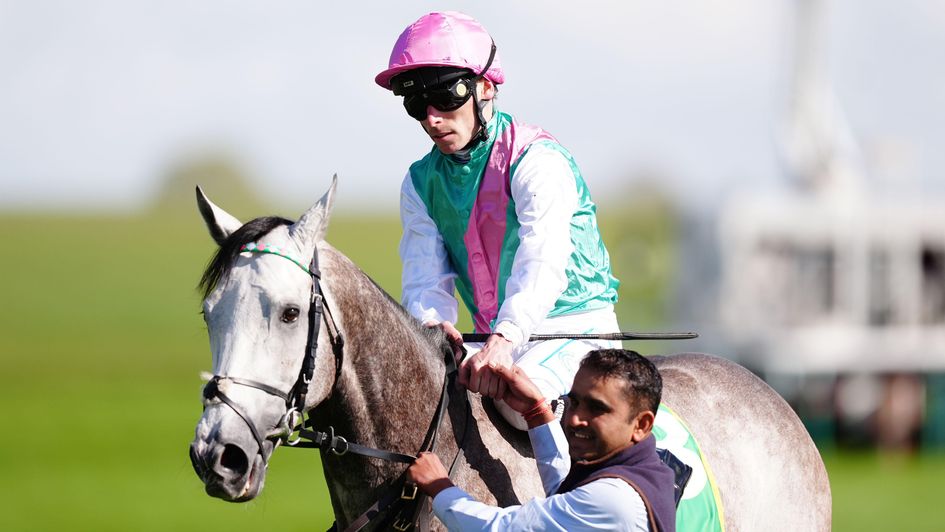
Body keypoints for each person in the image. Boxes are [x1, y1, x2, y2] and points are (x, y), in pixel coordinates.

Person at [376, 11, 621, 429]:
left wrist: (506, 338)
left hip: (572, 332)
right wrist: (435, 332)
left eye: (447, 96)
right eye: (416, 103)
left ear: (485, 87)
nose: (432, 118)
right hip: (492, 339)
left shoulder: (537, 159)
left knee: (519, 407)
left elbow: (541, 263)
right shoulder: (418, 183)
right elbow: (424, 282)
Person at [407, 349, 677, 531]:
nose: (574, 419)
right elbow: (566, 496)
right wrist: (537, 412)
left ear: (641, 424)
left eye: (597, 409)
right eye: (575, 402)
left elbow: (504, 527)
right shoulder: (643, 468)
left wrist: (441, 488)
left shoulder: (613, 501)